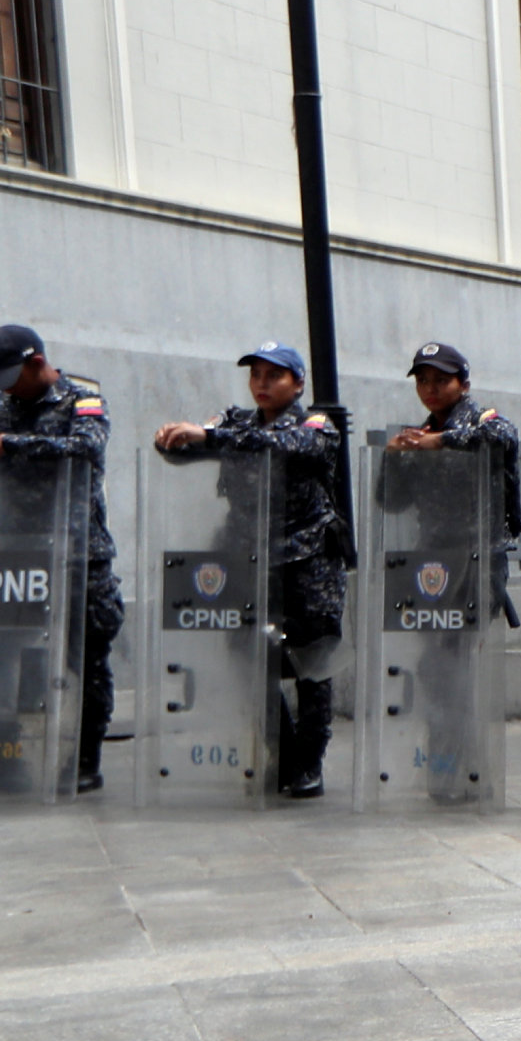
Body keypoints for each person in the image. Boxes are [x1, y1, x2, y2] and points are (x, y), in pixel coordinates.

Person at [152, 341, 353, 798]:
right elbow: (192, 447)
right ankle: (279, 753)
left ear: (297, 383)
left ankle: (309, 763)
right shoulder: (233, 421)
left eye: (274, 375)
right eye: (255, 375)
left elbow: (282, 445)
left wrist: (210, 437)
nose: (261, 384)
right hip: (248, 561)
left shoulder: (316, 424)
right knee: (246, 654)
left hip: (308, 561)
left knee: (312, 663)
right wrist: (170, 438)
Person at [0, 324, 124, 794]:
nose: (5, 388)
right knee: (4, 656)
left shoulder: (80, 401)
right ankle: (5, 755)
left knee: (84, 658)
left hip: (76, 555)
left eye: (12, 376)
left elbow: (87, 446)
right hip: (12, 554)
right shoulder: (0, 404)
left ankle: (85, 759)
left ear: (36, 363)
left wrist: (11, 443)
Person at [372, 342, 521, 803]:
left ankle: (458, 772)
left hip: (475, 562)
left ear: (463, 384)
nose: (431, 389)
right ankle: (457, 768)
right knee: (438, 669)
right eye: (423, 381)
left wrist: (442, 442)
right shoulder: (419, 435)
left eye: (441, 380)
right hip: (429, 566)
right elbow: (390, 502)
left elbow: (503, 438)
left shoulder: (483, 421)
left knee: (452, 668)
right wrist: (396, 458)